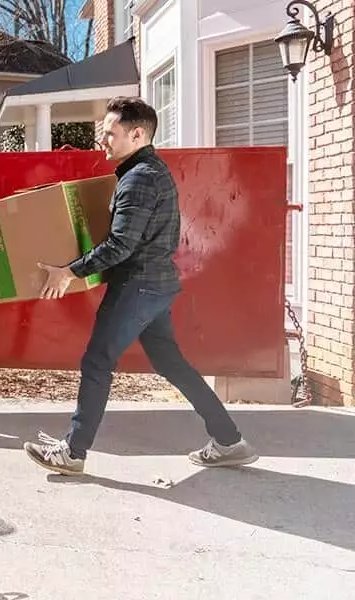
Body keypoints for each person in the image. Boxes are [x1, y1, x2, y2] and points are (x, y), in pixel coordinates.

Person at [23, 96, 258, 475]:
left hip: (137, 287)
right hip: (155, 286)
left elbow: (121, 245)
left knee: (97, 361)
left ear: (136, 135)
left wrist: (69, 272)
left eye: (110, 133)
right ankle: (230, 441)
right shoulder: (147, 172)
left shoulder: (139, 180)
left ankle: (73, 452)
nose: (103, 140)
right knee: (171, 363)